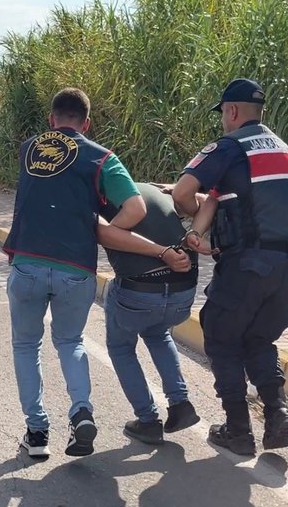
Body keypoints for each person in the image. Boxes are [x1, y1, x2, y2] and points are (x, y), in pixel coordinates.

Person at [171, 78, 288, 456]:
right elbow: (230, 197)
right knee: (258, 338)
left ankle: (238, 429)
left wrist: (190, 221)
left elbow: (183, 193)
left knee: (221, 334)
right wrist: (203, 220)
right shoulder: (280, 147)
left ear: (231, 111)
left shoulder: (229, 147)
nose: (222, 121)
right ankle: (278, 414)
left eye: (222, 114)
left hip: (252, 263)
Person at [3, 87, 146, 458]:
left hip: (28, 263)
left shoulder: (28, 149)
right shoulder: (102, 158)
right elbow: (136, 208)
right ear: (87, 123)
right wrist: (103, 230)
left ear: (51, 119)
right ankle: (81, 412)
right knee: (70, 342)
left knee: (26, 345)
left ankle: (37, 434)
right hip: (76, 268)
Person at [96, 183, 202, 446]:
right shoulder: (153, 190)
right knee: (157, 333)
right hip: (183, 292)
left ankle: (148, 420)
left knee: (121, 347)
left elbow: (98, 235)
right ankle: (180, 404)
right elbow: (204, 200)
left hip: (139, 293)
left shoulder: (97, 200)